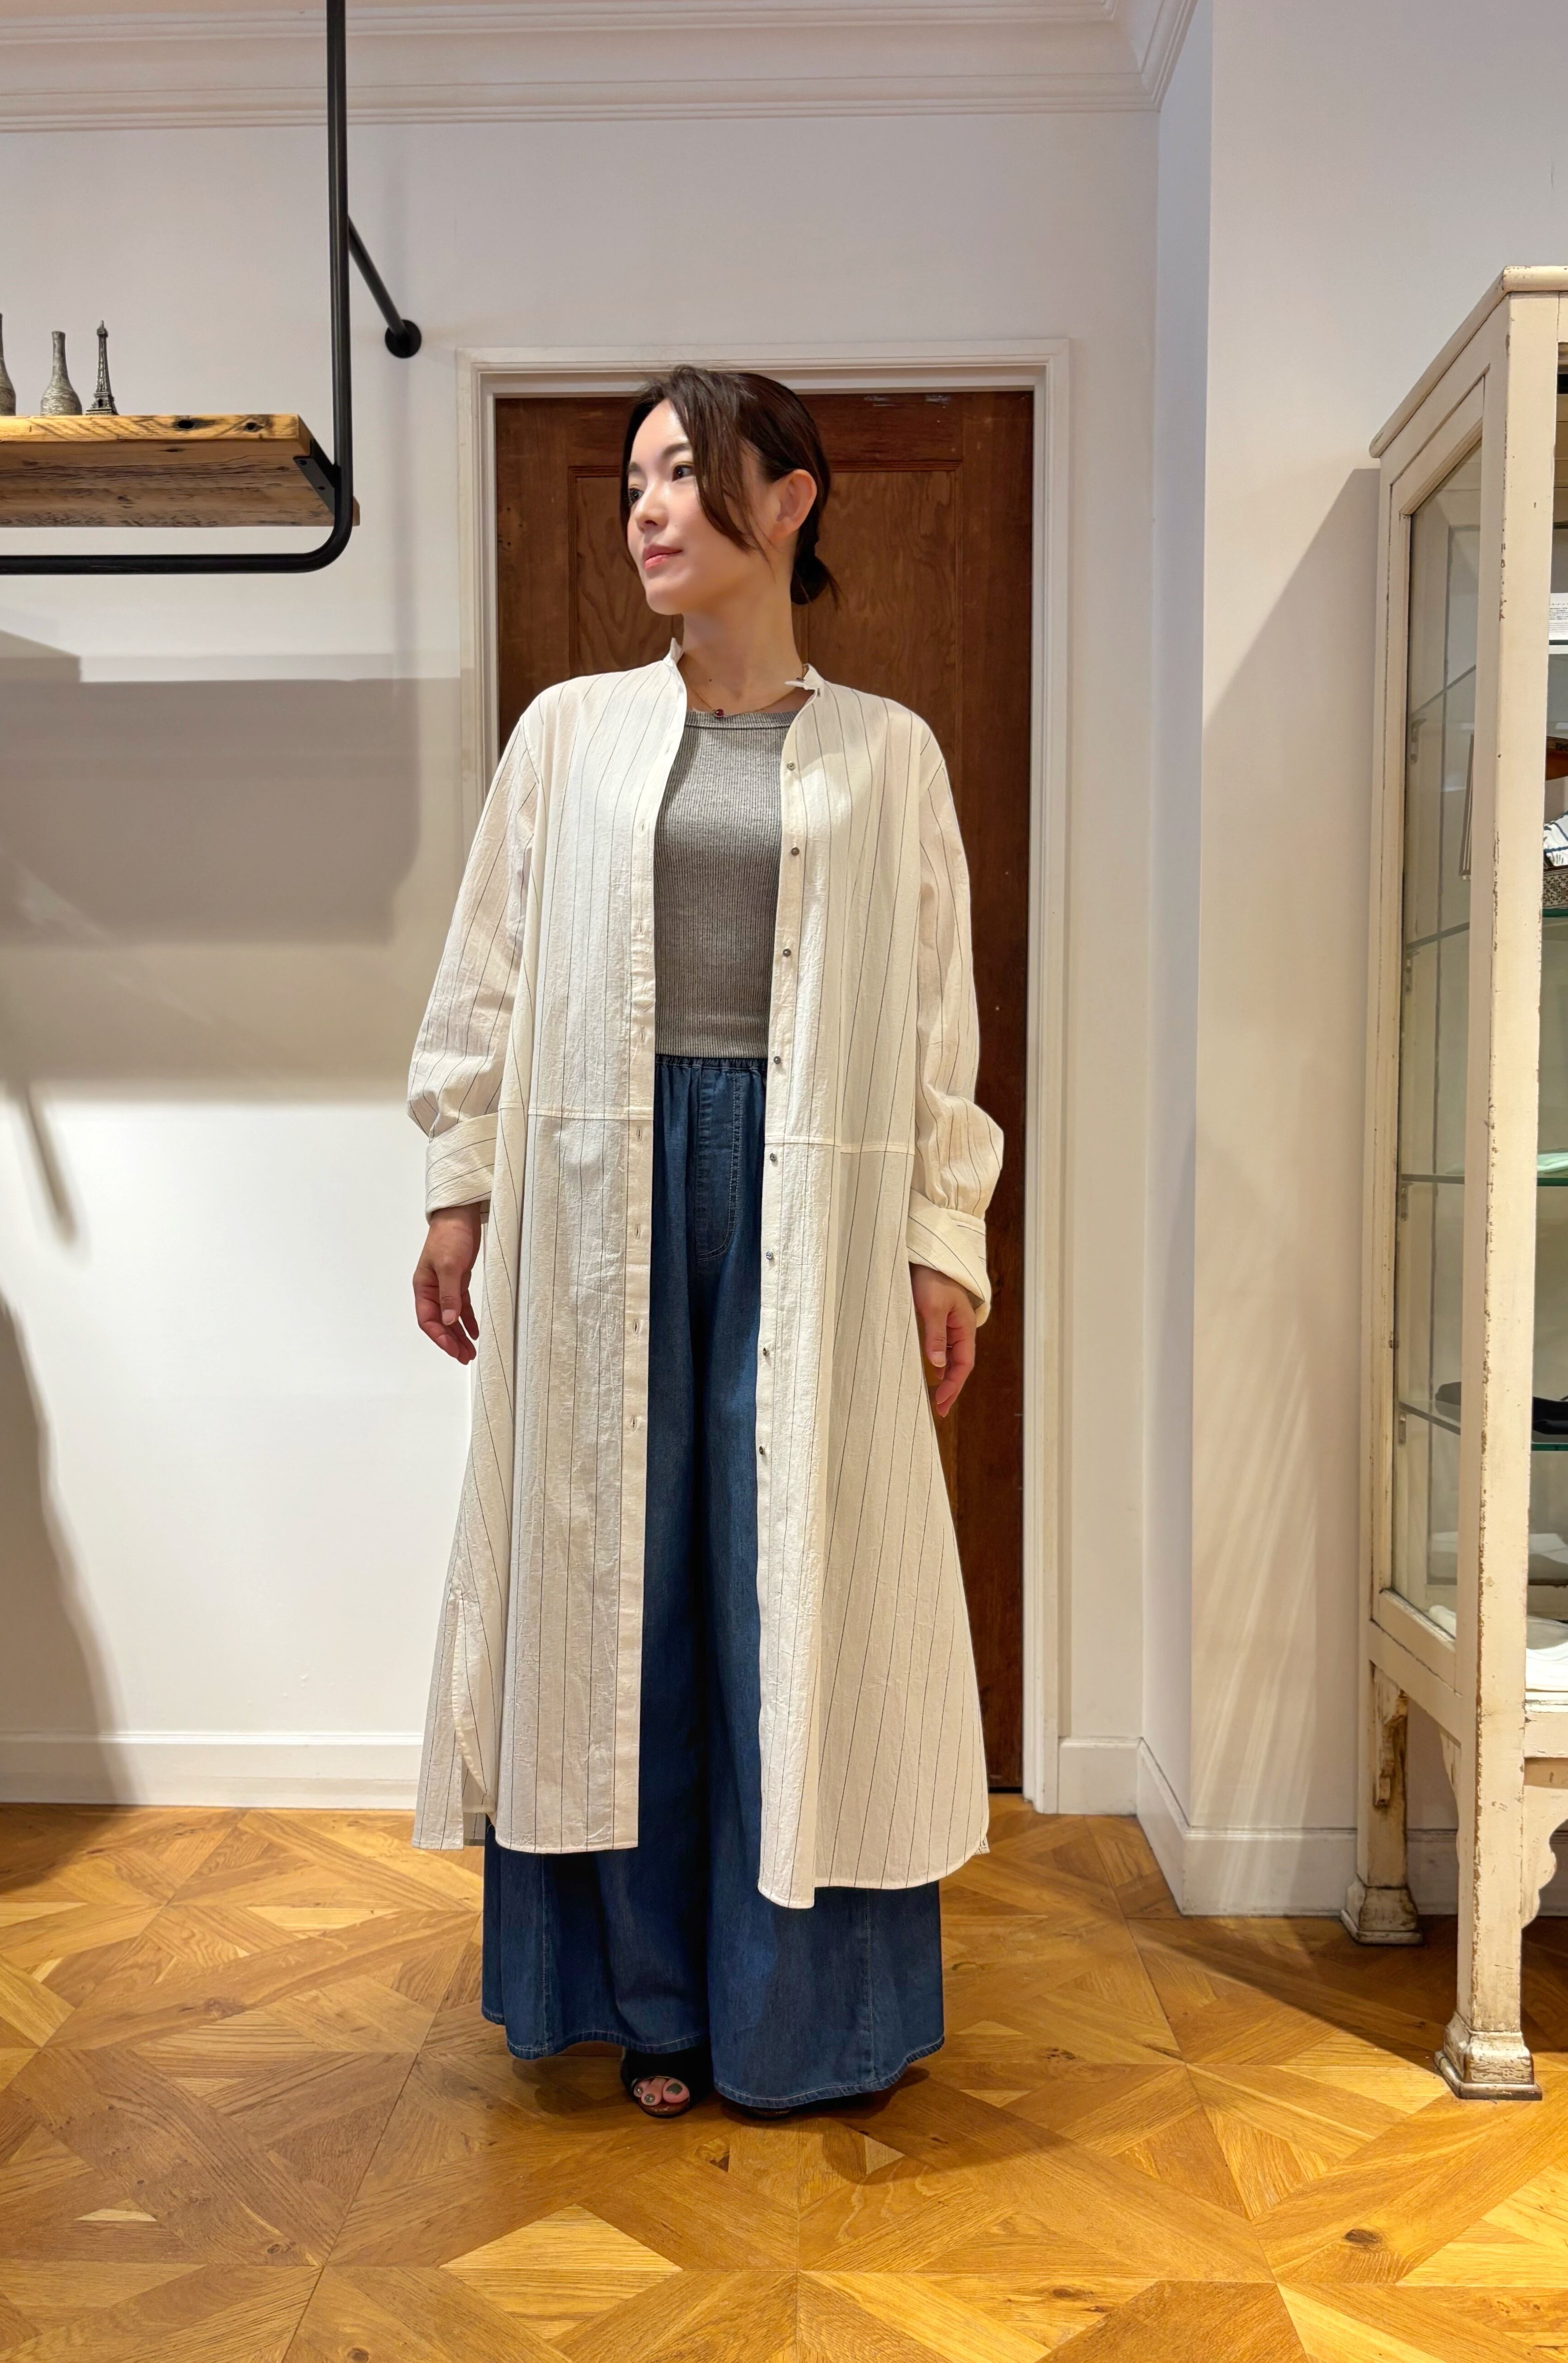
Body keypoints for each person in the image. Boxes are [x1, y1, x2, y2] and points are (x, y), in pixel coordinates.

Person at [407, 365, 1003, 2119]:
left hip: (812, 1199)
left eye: (682, 474)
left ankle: (798, 2018)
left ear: (789, 498)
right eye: (633, 485)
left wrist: (943, 1237)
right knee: (624, 1595)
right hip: (601, 1193)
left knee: (787, 1592)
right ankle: (649, 2000)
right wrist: (457, 1184)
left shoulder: (887, 752)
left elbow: (936, 1022)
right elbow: (487, 972)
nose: (649, 511)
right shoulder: (567, 735)